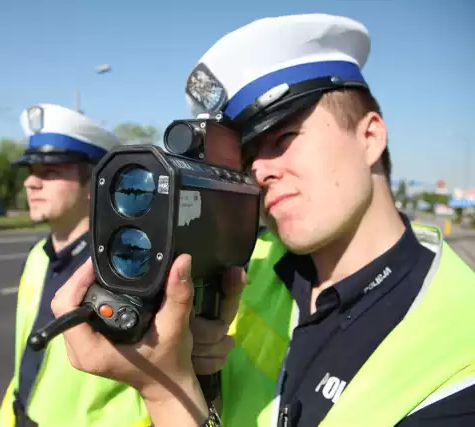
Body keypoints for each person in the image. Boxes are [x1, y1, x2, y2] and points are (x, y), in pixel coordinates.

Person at [49, 14, 475, 427]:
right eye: (248, 157)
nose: (260, 171)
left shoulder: (458, 342)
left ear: (370, 136)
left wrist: (164, 389)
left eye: (284, 138)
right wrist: (198, 373)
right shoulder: (243, 270)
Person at [0, 104, 152, 427]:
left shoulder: (126, 268)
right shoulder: (38, 255)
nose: (30, 184)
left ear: (95, 184)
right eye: (31, 171)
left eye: (50, 173)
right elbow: (27, 359)